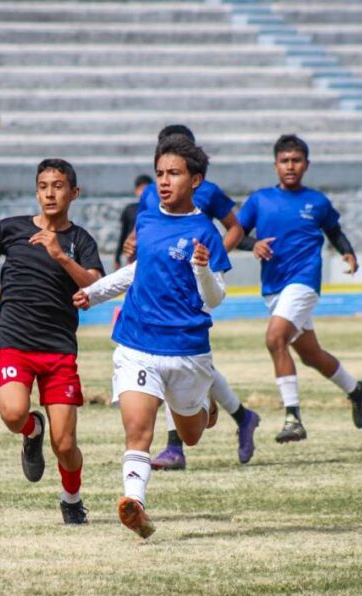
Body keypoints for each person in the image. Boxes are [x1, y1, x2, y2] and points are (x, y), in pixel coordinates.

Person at [74, 135, 231, 539]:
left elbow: (215, 298)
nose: (164, 181)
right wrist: (94, 293)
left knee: (192, 436)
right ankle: (135, 504)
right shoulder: (146, 218)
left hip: (187, 351)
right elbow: (139, 271)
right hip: (137, 343)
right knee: (137, 428)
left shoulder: (206, 231)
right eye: (160, 173)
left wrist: (201, 269)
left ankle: (205, 407)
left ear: (195, 180)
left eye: (174, 174)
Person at [0, 158, 104, 526]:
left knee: (65, 446)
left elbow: (93, 285)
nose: (50, 192)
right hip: (12, 342)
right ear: (36, 191)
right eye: (44, 185)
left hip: (59, 350)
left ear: (74, 193)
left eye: (58, 185)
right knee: (14, 413)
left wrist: (59, 254)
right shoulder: (9, 229)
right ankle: (32, 429)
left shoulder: (79, 241)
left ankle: (72, 498)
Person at [125, 124, 260, 470]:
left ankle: (177, 445)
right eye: (161, 168)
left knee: (187, 357)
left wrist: (210, 260)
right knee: (184, 360)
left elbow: (236, 226)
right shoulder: (153, 195)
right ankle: (237, 417)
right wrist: (133, 245)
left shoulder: (208, 191)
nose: (166, 177)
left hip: (198, 276)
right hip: (163, 279)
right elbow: (147, 229)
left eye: (175, 166)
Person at [238, 134, 362, 444]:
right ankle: (356, 390)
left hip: (304, 281)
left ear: (306, 165)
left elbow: (334, 232)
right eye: (285, 161)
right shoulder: (260, 200)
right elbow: (236, 233)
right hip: (274, 288)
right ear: (275, 165)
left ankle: (292, 417)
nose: (290, 166)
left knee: (275, 338)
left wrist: (347, 251)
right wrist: (252, 244)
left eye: (296, 160)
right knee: (310, 355)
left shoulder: (318, 202)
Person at [113, 174, 151, 270]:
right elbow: (123, 234)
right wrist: (117, 257)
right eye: (141, 189)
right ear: (136, 191)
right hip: (133, 252)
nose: (143, 193)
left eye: (146, 189)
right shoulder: (130, 210)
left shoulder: (156, 211)